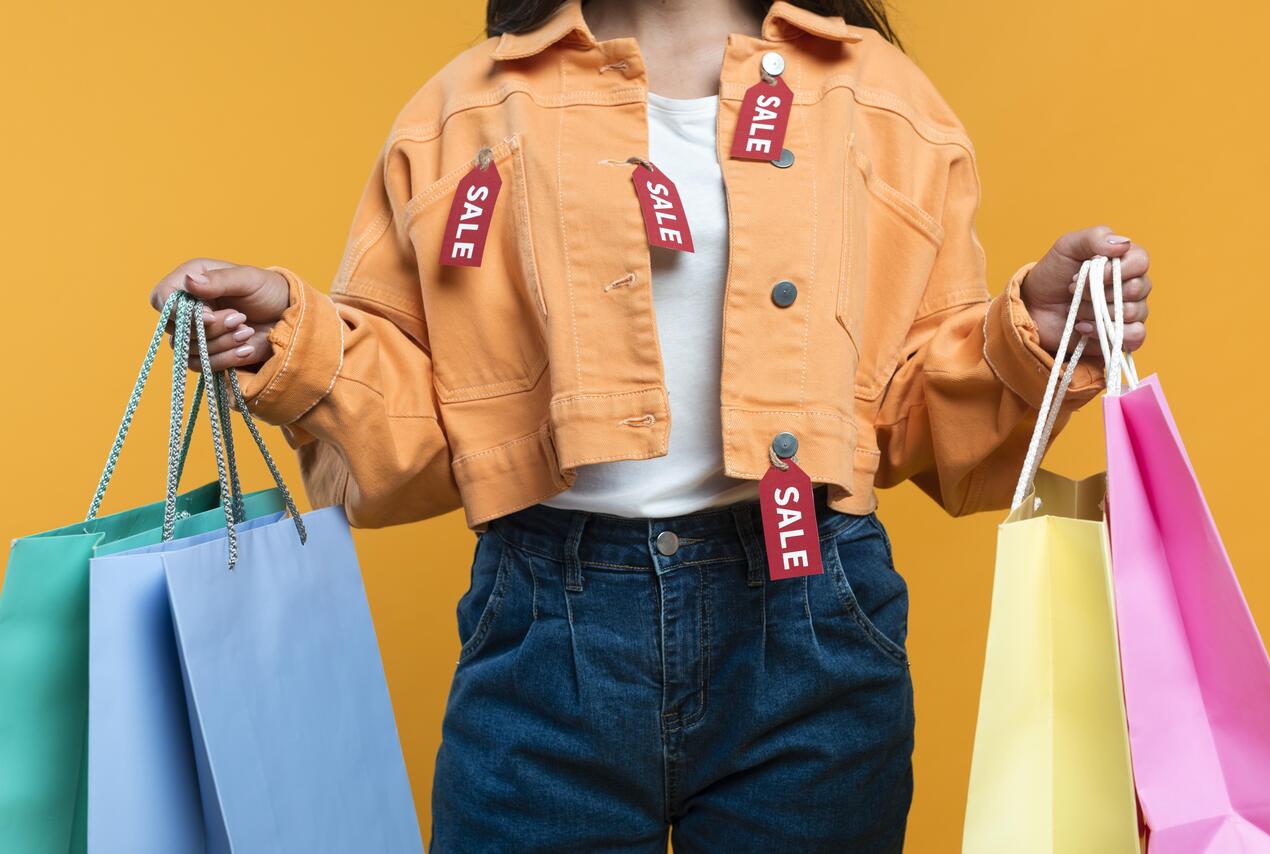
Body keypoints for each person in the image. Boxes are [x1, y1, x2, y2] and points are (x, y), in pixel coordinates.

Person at [148, 0, 1153, 849]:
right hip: (543, 630)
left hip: (810, 625)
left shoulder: (883, 99)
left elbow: (915, 422)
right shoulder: (459, 109)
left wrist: (1034, 333)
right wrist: (291, 339)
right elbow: (417, 429)